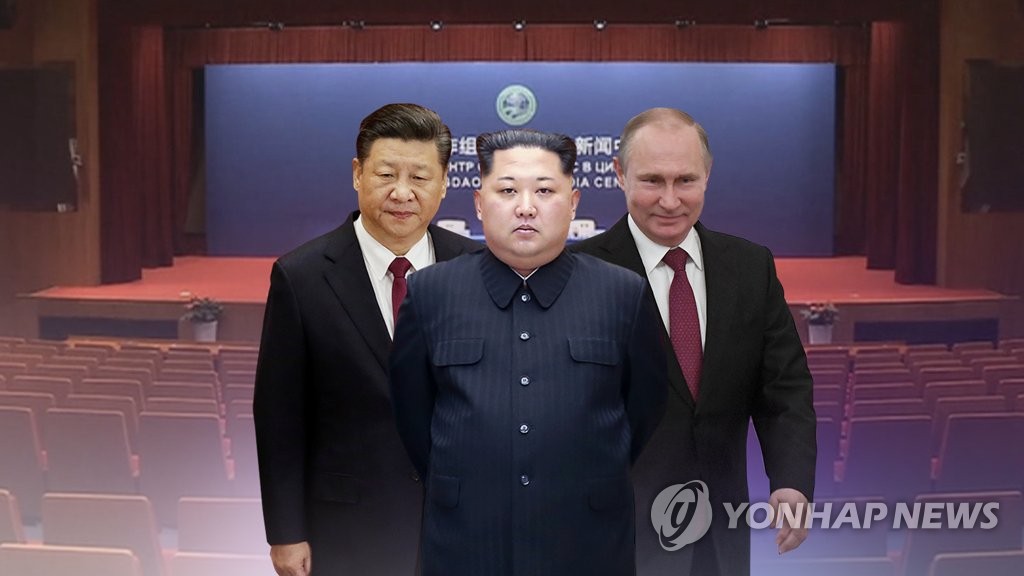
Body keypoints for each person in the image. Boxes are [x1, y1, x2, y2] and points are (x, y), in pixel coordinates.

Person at [389, 129, 668, 576]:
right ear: (479, 203)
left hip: (587, 544)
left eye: (544, 191)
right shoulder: (430, 293)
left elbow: (644, 407)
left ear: (573, 203)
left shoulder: (622, 293)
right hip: (466, 544)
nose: (525, 207)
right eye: (507, 191)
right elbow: (413, 416)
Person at [573, 107, 816, 576]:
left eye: (685, 180)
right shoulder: (576, 275)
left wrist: (791, 480)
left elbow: (785, 389)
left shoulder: (751, 268)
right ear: (619, 174)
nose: (670, 201)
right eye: (652, 181)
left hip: (720, 534)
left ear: (707, 174)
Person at [253, 103, 481, 576]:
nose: (402, 192)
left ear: (444, 182)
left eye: (420, 177)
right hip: (349, 527)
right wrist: (285, 532)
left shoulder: (479, 269)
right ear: (358, 174)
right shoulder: (302, 277)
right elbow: (278, 417)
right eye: (386, 174)